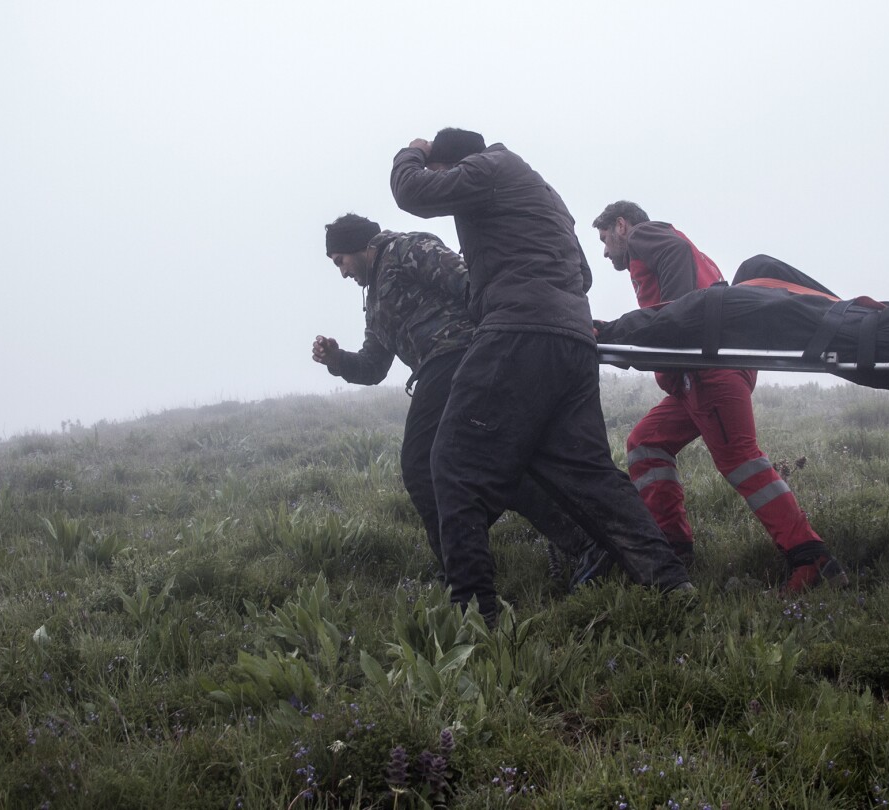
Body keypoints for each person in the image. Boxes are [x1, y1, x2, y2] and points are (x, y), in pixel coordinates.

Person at [389, 129, 691, 624]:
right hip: (571, 339)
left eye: (445, 174)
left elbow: (411, 192)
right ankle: (671, 582)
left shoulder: (488, 168)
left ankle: (473, 614)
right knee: (590, 474)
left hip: (517, 334)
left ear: (455, 163)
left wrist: (414, 152)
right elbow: (584, 275)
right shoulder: (543, 193)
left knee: (450, 463)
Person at [314, 214, 609, 590]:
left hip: (462, 356)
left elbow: (471, 284)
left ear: (361, 246)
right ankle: (583, 543)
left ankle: (460, 572)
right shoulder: (374, 302)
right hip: (438, 367)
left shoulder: (408, 248)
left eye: (340, 260)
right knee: (496, 467)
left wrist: (507, 342)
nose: (341, 272)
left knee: (420, 464)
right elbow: (373, 366)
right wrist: (338, 360)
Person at [592, 201, 848, 593]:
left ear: (622, 226)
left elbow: (677, 306)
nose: (605, 250)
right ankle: (673, 549)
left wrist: (677, 317)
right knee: (646, 443)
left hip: (709, 373)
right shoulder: (672, 255)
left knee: (741, 460)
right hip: (701, 375)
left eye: (605, 238)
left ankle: (811, 559)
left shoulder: (647, 236)